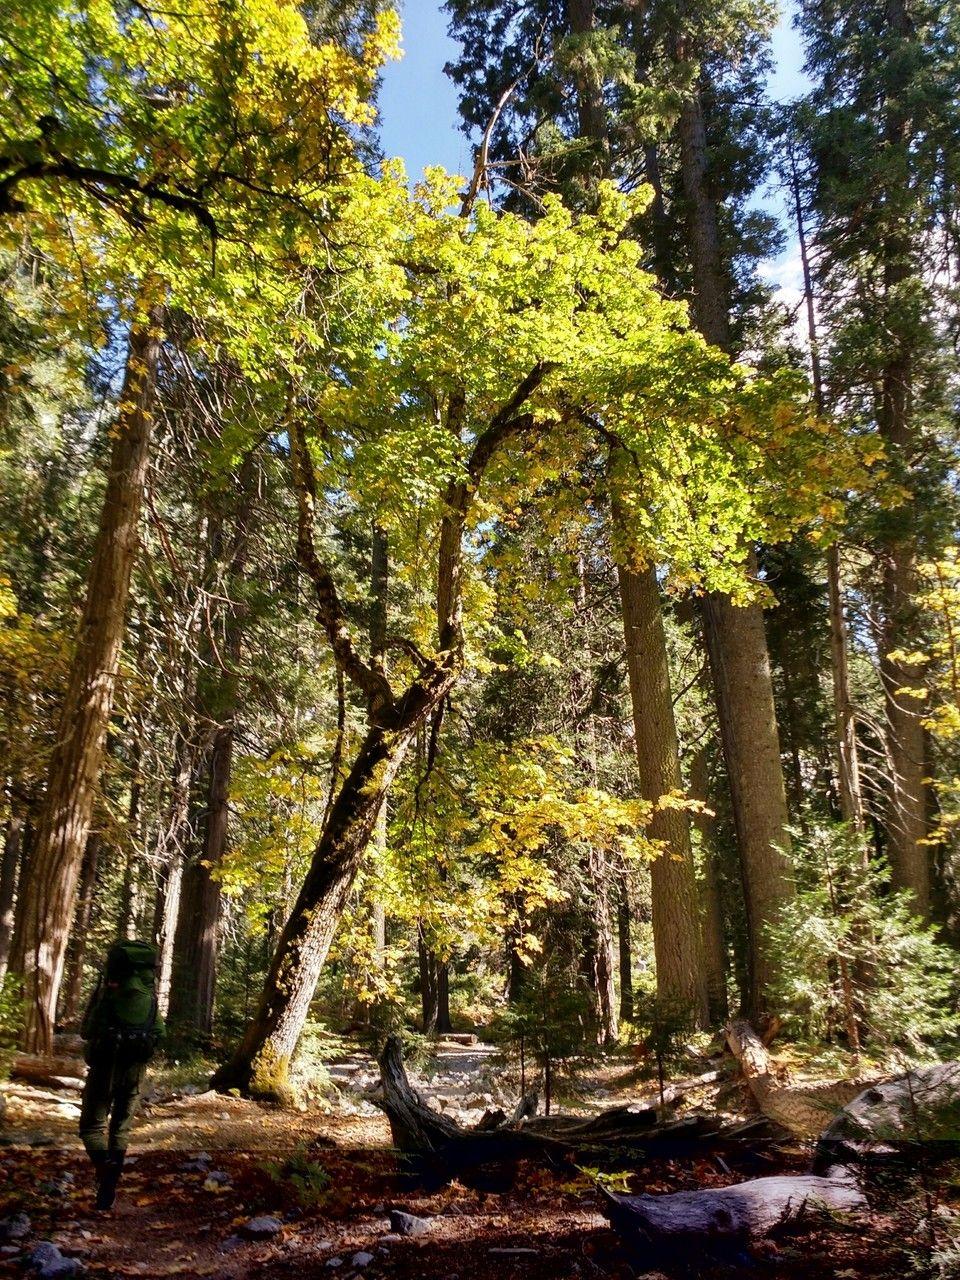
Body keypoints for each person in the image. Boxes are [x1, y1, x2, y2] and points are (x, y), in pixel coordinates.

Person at [79, 940, 164, 1211]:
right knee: (120, 1127)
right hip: (135, 1071)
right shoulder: (149, 998)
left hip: (104, 1069)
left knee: (91, 1127)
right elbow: (160, 1034)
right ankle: (110, 1183)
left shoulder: (109, 996)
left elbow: (87, 1030)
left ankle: (104, 1171)